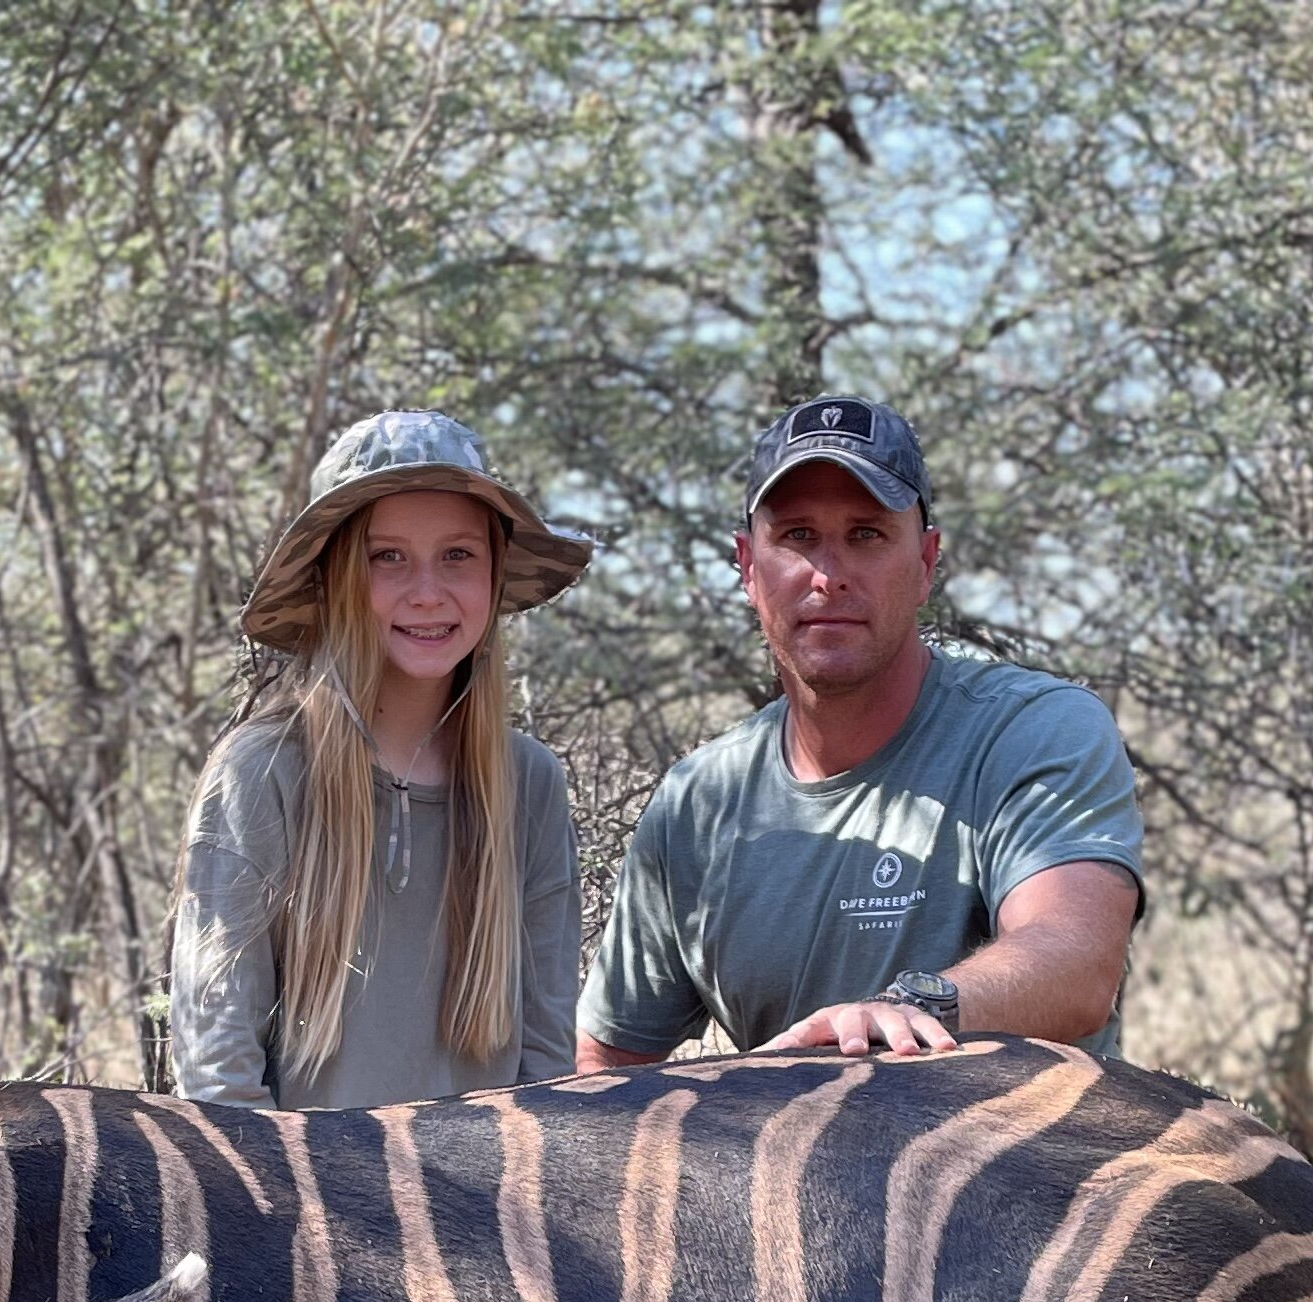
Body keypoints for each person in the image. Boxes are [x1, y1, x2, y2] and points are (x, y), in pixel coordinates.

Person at [577, 396, 1144, 1070]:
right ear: (748, 569)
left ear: (927, 562)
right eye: (797, 537)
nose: (829, 575)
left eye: (867, 535)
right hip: (786, 1170)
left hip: (1018, 1165)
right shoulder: (697, 802)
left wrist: (915, 1009)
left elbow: (1076, 963)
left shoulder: (1035, 729)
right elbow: (610, 1066)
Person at [170, 410, 594, 1108]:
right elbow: (221, 1083)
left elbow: (545, 1070)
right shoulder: (261, 774)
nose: (427, 591)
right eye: (387, 556)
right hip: (301, 1206)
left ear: (495, 574)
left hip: (494, 1208)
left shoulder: (529, 783)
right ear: (338, 576)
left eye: (458, 554)